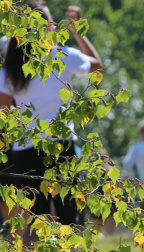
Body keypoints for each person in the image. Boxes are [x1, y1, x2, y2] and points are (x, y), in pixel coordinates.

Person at [0, 2, 102, 228]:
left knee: (36, 222)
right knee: (70, 220)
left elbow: (4, 113)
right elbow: (97, 67)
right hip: (61, 147)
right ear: (49, 27)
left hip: (25, 150)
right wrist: (78, 34)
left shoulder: (10, 69)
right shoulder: (63, 55)